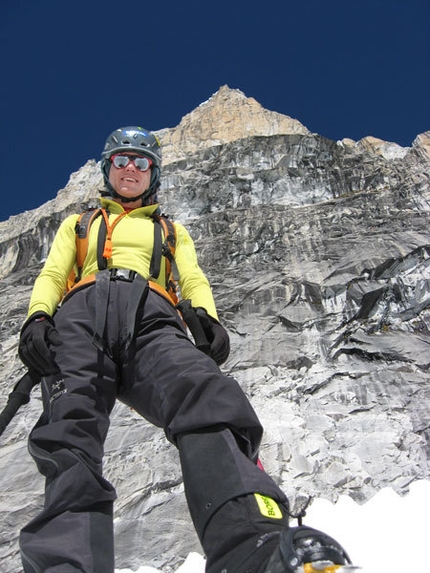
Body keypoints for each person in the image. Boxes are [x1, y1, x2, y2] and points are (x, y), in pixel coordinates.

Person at [18, 126, 351, 573]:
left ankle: (254, 546)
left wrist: (207, 317)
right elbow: (54, 273)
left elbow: (192, 279)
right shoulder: (79, 224)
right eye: (121, 160)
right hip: (81, 315)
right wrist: (39, 316)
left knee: (205, 397)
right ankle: (65, 566)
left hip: (152, 315)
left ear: (153, 173)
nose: (131, 168)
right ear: (107, 170)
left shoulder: (170, 231)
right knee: (69, 429)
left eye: (141, 161)